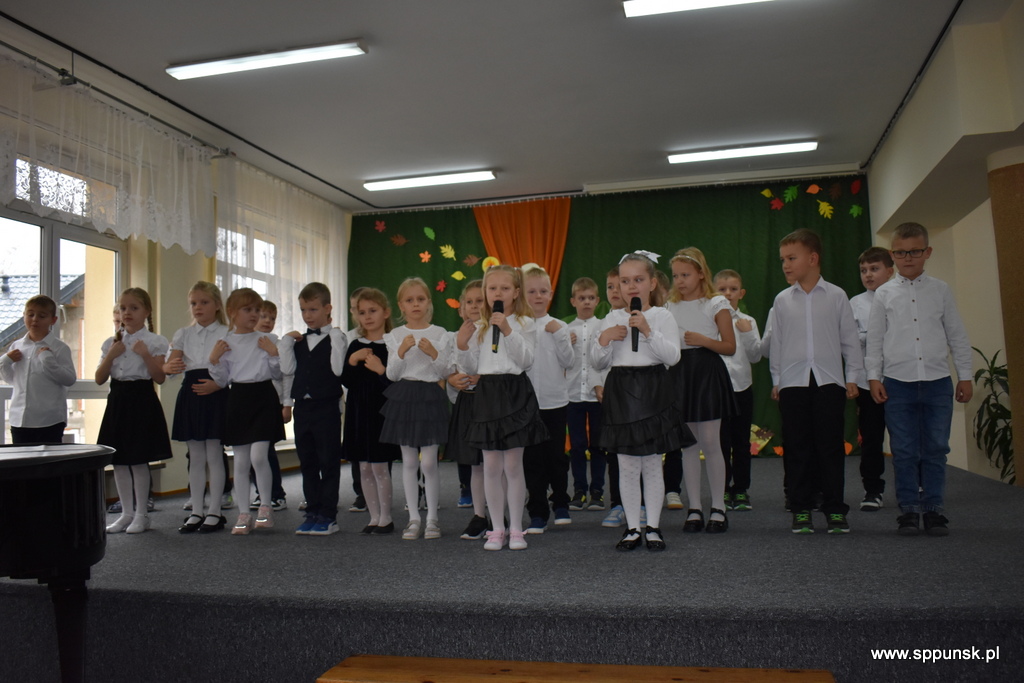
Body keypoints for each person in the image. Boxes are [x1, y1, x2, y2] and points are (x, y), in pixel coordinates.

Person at [866, 222, 972, 537]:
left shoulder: (940, 290)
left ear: (927, 252)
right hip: (897, 382)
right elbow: (875, 340)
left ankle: (934, 510)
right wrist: (873, 377)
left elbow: (957, 335)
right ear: (892, 255)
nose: (908, 258)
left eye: (914, 251)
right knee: (904, 449)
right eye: (901, 253)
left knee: (936, 447)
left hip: (938, 381)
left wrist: (965, 376)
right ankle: (910, 510)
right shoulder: (884, 293)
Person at [592, 251, 692, 551]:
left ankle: (653, 528)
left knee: (650, 463)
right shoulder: (611, 318)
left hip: (653, 390)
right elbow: (598, 362)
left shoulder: (662, 316)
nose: (631, 286)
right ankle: (633, 528)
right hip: (621, 391)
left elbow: (672, 357)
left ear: (652, 283)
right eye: (625, 281)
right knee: (626, 465)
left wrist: (647, 330)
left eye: (638, 280)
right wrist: (604, 339)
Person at [770, 229, 862, 534]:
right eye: (783, 259)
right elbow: (777, 343)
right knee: (797, 447)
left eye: (791, 258)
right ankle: (800, 507)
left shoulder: (836, 296)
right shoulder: (782, 300)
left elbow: (849, 340)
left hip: (829, 381)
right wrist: (777, 379)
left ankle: (834, 508)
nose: (785, 265)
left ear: (812, 258)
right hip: (793, 383)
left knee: (830, 446)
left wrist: (853, 377)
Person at [456, 264, 548, 551]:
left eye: (504, 288)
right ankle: (496, 528)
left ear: (516, 292)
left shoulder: (524, 322)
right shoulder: (480, 326)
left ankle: (516, 528)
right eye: (492, 288)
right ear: (485, 291)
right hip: (487, 394)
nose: (498, 293)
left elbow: (526, 360)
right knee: (491, 466)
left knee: (513, 465)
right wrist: (462, 345)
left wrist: (507, 330)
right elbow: (471, 367)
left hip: (514, 392)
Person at [665, 247, 737, 535]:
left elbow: (729, 346)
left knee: (710, 441)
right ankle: (694, 508)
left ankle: (718, 507)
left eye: (685, 275)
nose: (680, 281)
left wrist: (703, 340)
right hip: (681, 374)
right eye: (675, 276)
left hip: (707, 373)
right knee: (689, 444)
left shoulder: (716, 303)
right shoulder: (669, 306)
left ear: (700, 274)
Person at [96, 287, 173, 534]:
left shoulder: (155, 341)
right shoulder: (111, 343)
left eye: (134, 308)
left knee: (139, 460)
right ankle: (126, 513)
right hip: (118, 400)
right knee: (119, 461)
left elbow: (159, 377)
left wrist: (145, 354)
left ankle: (141, 514)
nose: (127, 312)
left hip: (141, 399)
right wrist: (111, 355)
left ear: (146, 311)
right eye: (123, 308)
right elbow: (99, 378)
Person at [209, 287, 286, 535]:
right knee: (241, 461)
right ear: (232, 312)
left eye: (257, 310)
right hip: (239, 399)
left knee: (259, 456)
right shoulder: (226, 343)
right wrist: (214, 360)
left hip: (263, 397)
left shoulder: (267, 339)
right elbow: (222, 380)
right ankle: (243, 513)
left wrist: (274, 355)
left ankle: (265, 506)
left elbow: (278, 374)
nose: (254, 314)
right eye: (247, 309)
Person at [381, 277, 452, 541]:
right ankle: (414, 518)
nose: (415, 304)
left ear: (428, 302)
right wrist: (401, 351)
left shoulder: (440, 333)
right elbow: (391, 374)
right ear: (401, 305)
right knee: (409, 462)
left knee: (430, 462)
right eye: (409, 300)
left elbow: (445, 370)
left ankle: (432, 518)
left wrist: (434, 352)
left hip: (430, 396)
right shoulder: (395, 336)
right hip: (405, 397)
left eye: (420, 299)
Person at [278, 282, 347, 536]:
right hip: (303, 408)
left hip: (326, 407)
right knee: (307, 461)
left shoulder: (337, 339)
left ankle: (328, 515)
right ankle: (313, 510)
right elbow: (287, 370)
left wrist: (337, 338)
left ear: (328, 309)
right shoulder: (299, 342)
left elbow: (338, 370)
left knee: (328, 461)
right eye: (303, 310)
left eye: (313, 309)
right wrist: (285, 342)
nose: (307, 315)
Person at [164, 281, 230, 533]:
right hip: (191, 392)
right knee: (195, 456)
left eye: (204, 302)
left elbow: (234, 368)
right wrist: (168, 367)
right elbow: (171, 367)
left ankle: (215, 510)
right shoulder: (183, 334)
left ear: (217, 305)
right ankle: (196, 511)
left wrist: (218, 385)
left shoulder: (226, 332)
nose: (198, 307)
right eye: (193, 303)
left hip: (216, 391)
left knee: (214, 453)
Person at [342, 287, 400, 535]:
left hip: (381, 413)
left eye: (373, 311)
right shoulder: (355, 344)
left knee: (379, 466)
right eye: (362, 312)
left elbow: (396, 382)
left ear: (385, 312)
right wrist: (352, 360)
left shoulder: (392, 344)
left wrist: (380, 369)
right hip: (358, 412)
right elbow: (346, 380)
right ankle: (374, 516)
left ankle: (386, 517)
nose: (367, 317)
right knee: (364, 467)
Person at [522, 264, 574, 533]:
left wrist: (560, 334)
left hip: (555, 402)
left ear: (551, 294)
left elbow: (569, 361)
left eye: (543, 291)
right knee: (532, 459)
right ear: (522, 294)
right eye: (531, 291)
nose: (538, 296)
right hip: (527, 406)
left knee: (556, 456)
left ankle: (561, 502)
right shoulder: (517, 327)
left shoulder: (559, 326)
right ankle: (537, 511)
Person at [713, 269, 764, 512]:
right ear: (714, 293)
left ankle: (741, 489)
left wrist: (747, 334)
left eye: (733, 289)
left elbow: (755, 356)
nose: (728, 294)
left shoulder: (748, 321)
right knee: (720, 442)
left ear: (741, 293)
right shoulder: (709, 323)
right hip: (718, 391)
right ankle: (722, 488)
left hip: (742, 388)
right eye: (722, 289)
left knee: (741, 441)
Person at [849, 247, 894, 512]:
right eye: (863, 270)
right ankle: (873, 489)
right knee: (872, 438)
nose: (868, 275)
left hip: (900, 379)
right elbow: (849, 343)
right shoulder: (855, 303)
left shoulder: (901, 298)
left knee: (905, 438)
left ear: (890, 271)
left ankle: (915, 486)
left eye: (874, 269)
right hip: (868, 383)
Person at [445, 280, 490, 541]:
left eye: (479, 300)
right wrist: (452, 378)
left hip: (491, 403)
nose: (474, 306)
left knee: (496, 463)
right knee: (476, 465)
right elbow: (449, 366)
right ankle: (479, 515)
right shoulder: (456, 336)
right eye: (469, 302)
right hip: (469, 403)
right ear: (462, 307)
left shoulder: (493, 331)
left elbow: (494, 365)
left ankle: (500, 514)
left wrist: (483, 376)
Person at [1, 294, 76, 445]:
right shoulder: (16, 346)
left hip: (49, 421)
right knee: (23, 459)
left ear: (53, 320)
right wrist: (5, 360)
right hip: (20, 420)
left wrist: (48, 360)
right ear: (24, 316)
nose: (35, 319)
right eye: (30, 314)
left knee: (49, 460)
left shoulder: (59, 348)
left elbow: (69, 379)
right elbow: (11, 379)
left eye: (42, 316)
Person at [565, 277, 607, 513]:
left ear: (597, 300)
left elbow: (603, 360)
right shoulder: (566, 330)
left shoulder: (602, 327)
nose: (587, 302)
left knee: (599, 445)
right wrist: (566, 345)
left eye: (591, 298)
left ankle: (597, 492)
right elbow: (563, 362)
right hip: (573, 395)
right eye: (582, 298)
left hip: (596, 395)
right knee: (578, 446)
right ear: (573, 301)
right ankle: (579, 490)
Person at [249, 299, 289, 513]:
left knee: (267, 451)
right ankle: (260, 492)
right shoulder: (246, 342)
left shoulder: (277, 344)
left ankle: (276, 494)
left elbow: (285, 375)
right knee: (250, 452)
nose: (267, 321)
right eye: (263, 316)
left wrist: (286, 404)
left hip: (271, 402)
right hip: (250, 402)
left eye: (272, 318)